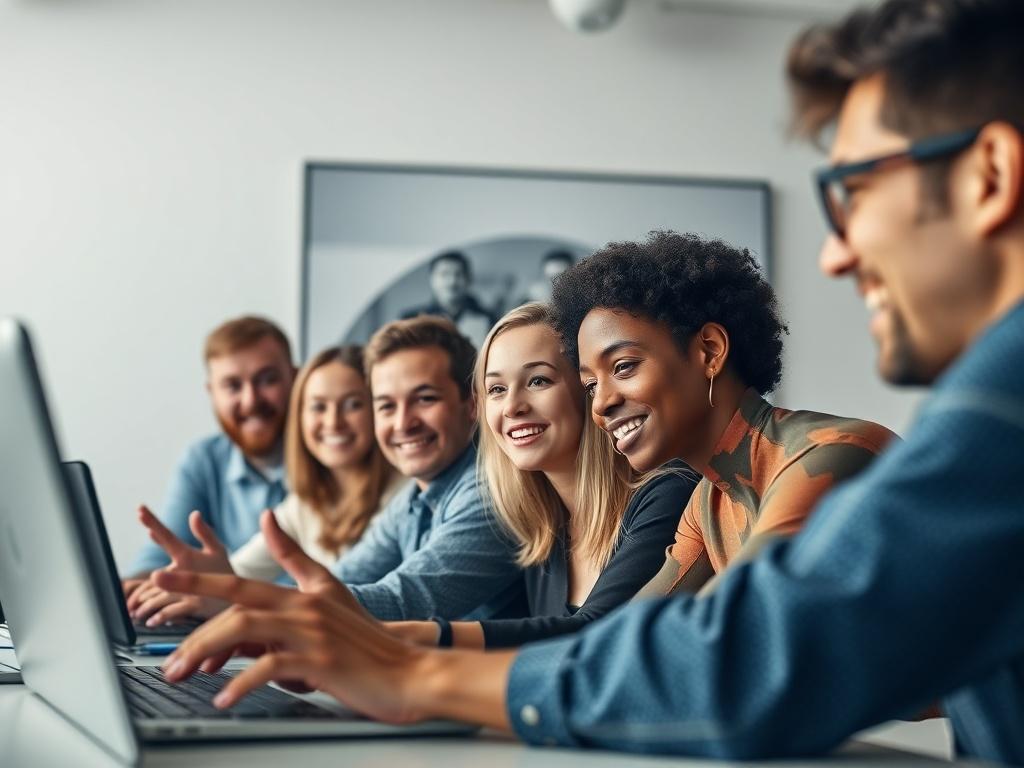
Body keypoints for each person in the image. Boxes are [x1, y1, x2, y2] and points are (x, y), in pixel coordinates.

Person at [156, 0, 1024, 762]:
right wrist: (395, 654)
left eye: (851, 191)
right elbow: (635, 638)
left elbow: (740, 661)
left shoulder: (844, 452)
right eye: (586, 376)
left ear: (989, 176)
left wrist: (414, 671)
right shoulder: (706, 496)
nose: (835, 250)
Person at [387, 302, 697, 649]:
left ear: (588, 392)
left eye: (538, 380)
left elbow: (595, 638)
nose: (512, 406)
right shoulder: (544, 534)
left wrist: (430, 635)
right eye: (497, 389)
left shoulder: (668, 492)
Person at [125, 346, 405, 625]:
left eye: (353, 404)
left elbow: (337, 595)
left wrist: (226, 592)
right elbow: (236, 574)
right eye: (318, 406)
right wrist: (196, 583)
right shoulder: (305, 506)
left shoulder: (403, 495)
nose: (333, 422)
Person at [122, 316, 296, 592]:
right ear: (211, 393)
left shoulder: (331, 460)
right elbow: (165, 555)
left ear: (296, 379)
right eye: (232, 386)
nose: (250, 401)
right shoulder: (203, 460)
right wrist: (130, 590)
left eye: (267, 380)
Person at [401, 250, 496, 348]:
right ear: (432, 279)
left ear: (468, 279)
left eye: (458, 274)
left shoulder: (488, 320)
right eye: (444, 274)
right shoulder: (411, 321)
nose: (452, 282)